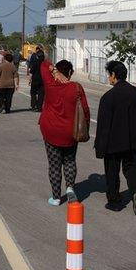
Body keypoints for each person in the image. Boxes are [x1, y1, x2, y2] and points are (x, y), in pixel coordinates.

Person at [94, 60, 136, 214]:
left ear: (113, 75)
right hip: (133, 141)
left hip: (113, 143)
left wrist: (100, 147)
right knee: (132, 168)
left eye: (109, 75)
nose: (109, 78)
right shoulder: (135, 93)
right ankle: (135, 192)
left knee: (112, 171)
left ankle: (114, 201)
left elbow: (103, 125)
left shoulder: (108, 97)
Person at [39, 58, 90, 206]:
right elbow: (85, 111)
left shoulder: (50, 83)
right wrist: (85, 127)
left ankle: (55, 198)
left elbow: (43, 63)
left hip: (50, 130)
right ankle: (69, 188)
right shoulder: (76, 87)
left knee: (54, 164)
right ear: (70, 73)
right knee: (69, 160)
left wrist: (53, 70)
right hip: (70, 132)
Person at [28, 45, 46, 112]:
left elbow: (31, 72)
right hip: (42, 81)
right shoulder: (45, 64)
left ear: (37, 56)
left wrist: (30, 80)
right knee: (41, 94)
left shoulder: (35, 63)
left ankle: (33, 105)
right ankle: (39, 107)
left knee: (33, 93)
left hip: (35, 80)